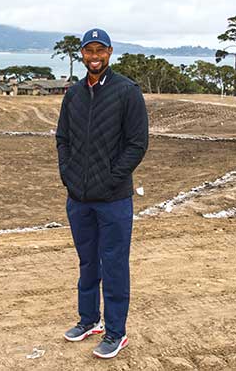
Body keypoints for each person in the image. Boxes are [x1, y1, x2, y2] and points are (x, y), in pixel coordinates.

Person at [56, 27, 149, 359]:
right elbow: (63, 139)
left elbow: (137, 144)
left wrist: (111, 179)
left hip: (113, 199)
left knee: (113, 265)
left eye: (100, 50)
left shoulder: (127, 92)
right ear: (81, 54)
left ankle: (115, 332)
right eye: (88, 51)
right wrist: (67, 175)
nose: (94, 56)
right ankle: (89, 320)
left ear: (110, 53)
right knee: (87, 262)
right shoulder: (74, 94)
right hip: (78, 199)